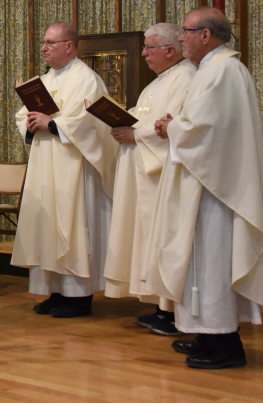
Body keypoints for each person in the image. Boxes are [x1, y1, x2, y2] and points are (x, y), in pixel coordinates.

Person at [143, 7, 263, 369]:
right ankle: (208, 334)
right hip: (204, 181)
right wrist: (177, 125)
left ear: (205, 35)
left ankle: (225, 344)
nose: (181, 38)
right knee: (201, 264)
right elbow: (202, 123)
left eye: (187, 32)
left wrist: (173, 128)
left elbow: (209, 129)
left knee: (213, 263)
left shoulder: (224, 70)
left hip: (216, 190)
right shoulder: (212, 70)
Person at [10, 22, 119, 318]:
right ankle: (56, 291)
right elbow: (23, 114)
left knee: (72, 226)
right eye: (43, 42)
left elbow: (92, 121)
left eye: (50, 43)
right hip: (46, 162)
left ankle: (79, 297)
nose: (43, 48)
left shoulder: (87, 79)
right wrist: (31, 122)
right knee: (47, 227)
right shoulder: (43, 79)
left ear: (69, 46)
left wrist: (54, 124)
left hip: (74, 165)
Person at [102, 23, 196, 335]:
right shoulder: (157, 82)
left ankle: (171, 311)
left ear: (170, 50)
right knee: (147, 241)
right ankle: (160, 306)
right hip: (143, 172)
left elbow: (172, 125)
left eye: (149, 48)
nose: (143, 54)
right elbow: (147, 116)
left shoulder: (185, 78)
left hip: (162, 176)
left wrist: (134, 133)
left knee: (162, 241)